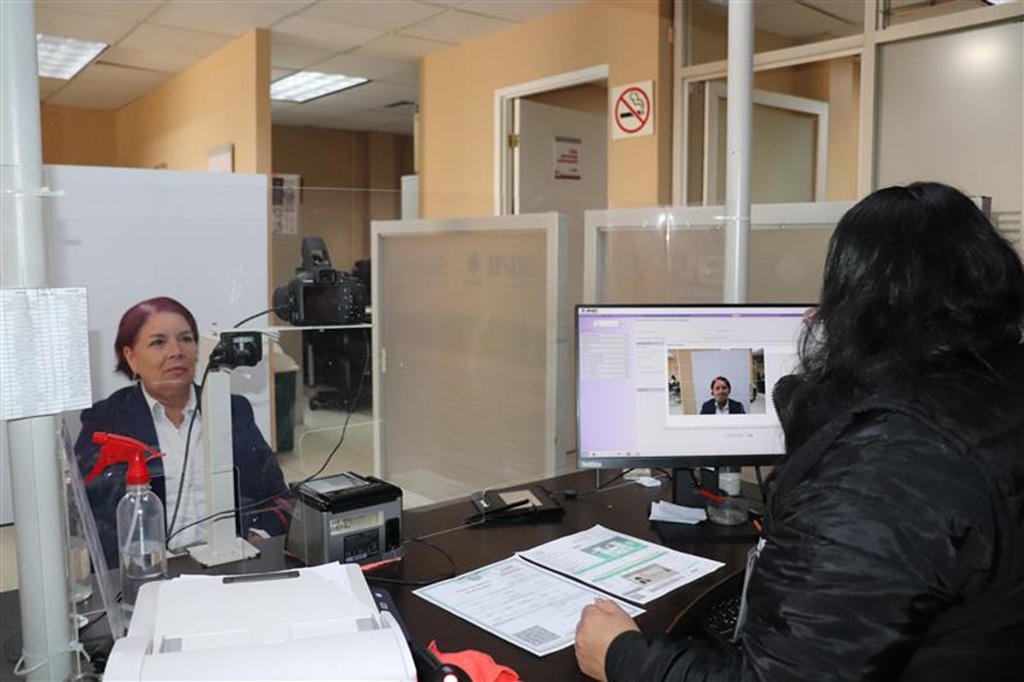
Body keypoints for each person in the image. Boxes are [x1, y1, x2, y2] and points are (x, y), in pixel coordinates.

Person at [574, 182, 1024, 680]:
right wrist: (839, 366)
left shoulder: (892, 463)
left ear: (856, 298)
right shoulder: (995, 392)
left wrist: (621, 655)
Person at [76, 296, 290, 568]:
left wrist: (259, 538)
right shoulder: (107, 420)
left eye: (186, 339)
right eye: (158, 342)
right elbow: (87, 518)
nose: (176, 351)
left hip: (230, 557)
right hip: (151, 569)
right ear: (131, 358)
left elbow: (277, 495)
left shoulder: (233, 409)